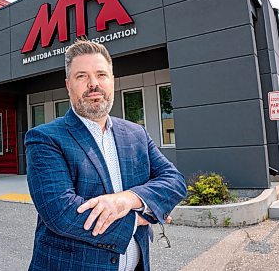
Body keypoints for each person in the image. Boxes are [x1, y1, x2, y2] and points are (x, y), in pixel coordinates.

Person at [25, 39, 187, 271]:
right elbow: (62, 214)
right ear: (68, 85)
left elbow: (174, 181)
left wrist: (126, 199)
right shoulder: (45, 138)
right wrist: (141, 217)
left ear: (112, 81)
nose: (94, 84)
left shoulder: (136, 133)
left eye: (101, 74)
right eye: (82, 76)